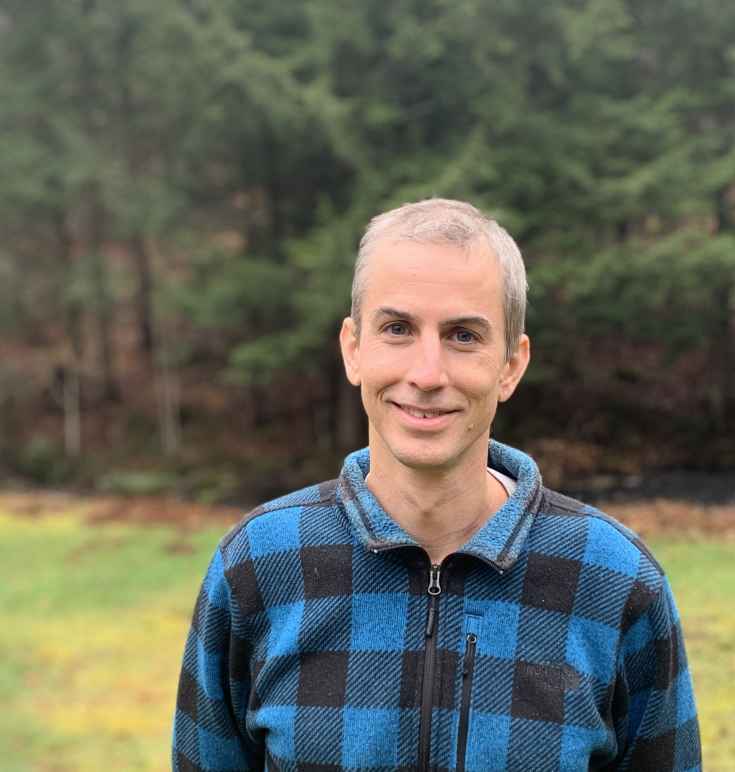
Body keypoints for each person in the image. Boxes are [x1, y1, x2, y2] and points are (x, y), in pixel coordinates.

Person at [172, 199, 702, 771]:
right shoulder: (258, 566)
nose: (427, 374)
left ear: (511, 365)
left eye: (463, 336)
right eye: (397, 328)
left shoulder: (615, 581)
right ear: (354, 348)